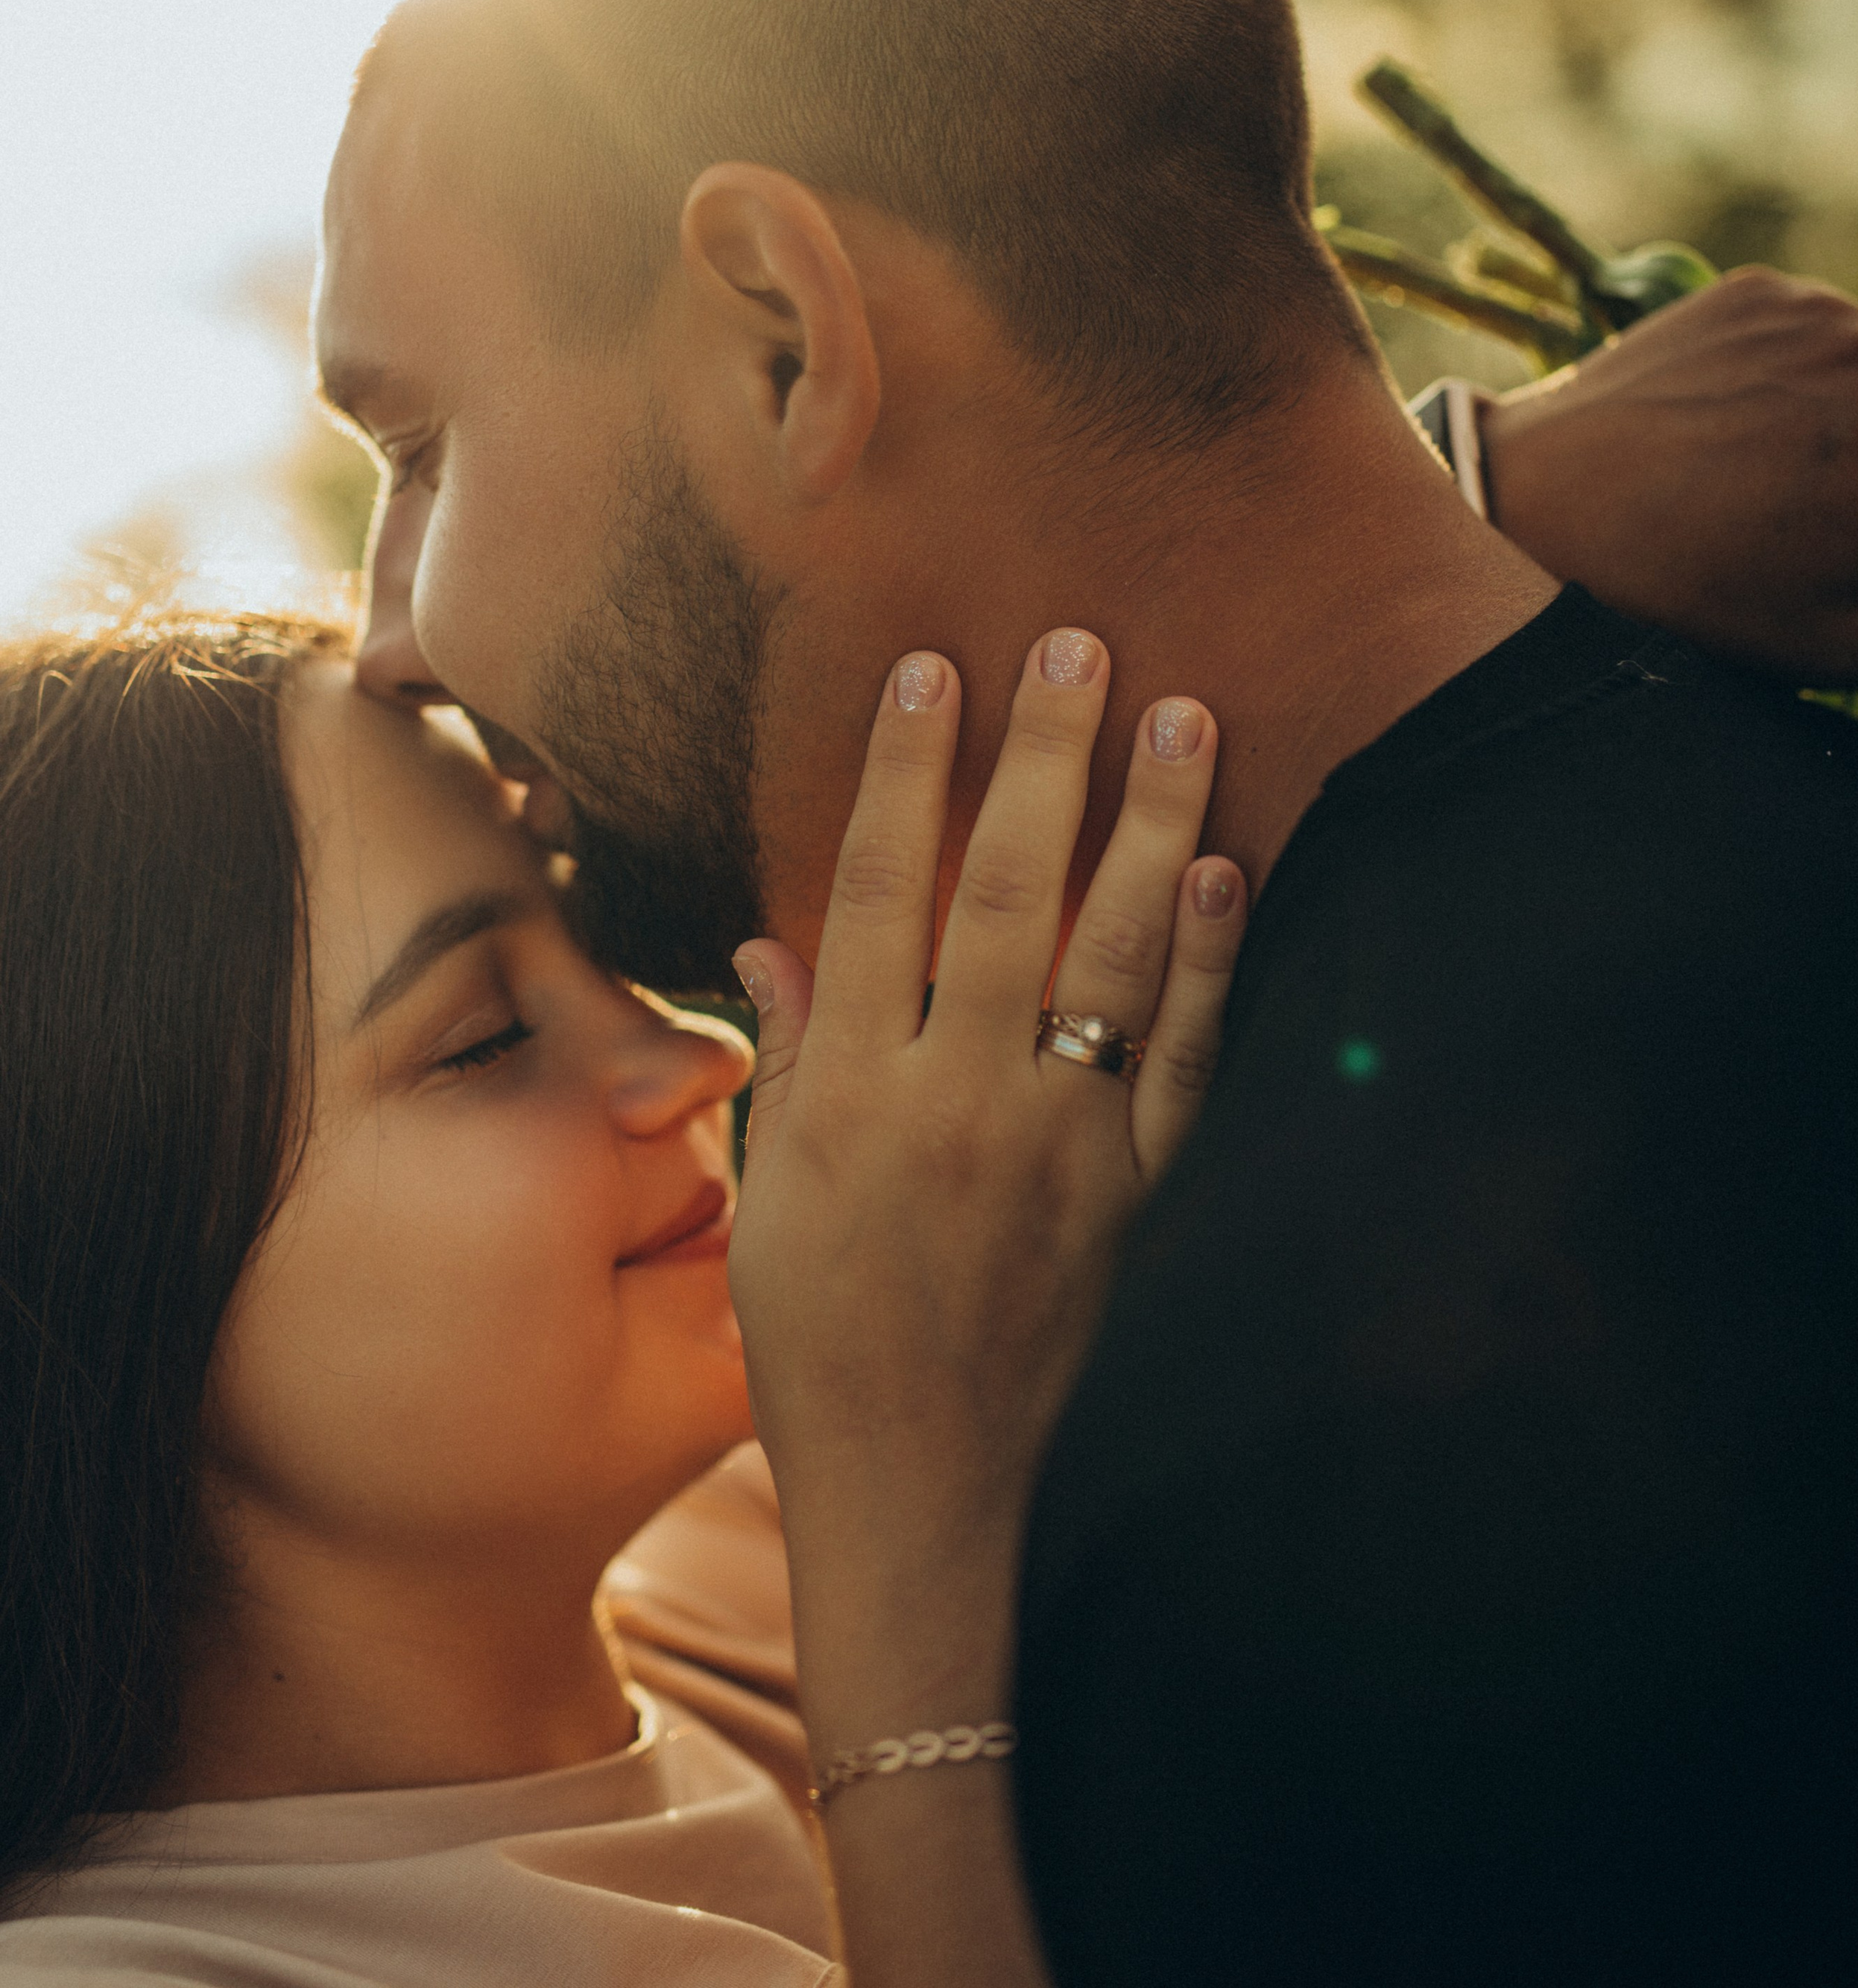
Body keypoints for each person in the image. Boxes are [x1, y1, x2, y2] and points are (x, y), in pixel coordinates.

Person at [317, 0, 1858, 1979]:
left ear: (783, 341)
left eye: (420, 448)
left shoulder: (1282, 1511)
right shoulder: (1795, 840)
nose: (382, 642)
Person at [0, 605, 1240, 1987]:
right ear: (116, 1282)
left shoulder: (735, 1590)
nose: (698, 1055)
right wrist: (920, 1611)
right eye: (487, 1041)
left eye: (600, 953)